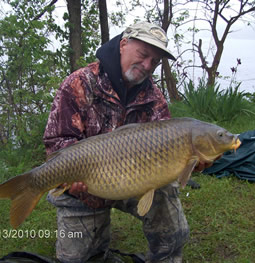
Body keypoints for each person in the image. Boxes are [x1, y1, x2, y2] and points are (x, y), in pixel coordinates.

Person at [43, 21, 207, 263]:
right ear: (122, 45)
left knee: (170, 214)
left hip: (137, 180)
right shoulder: (79, 84)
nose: (147, 65)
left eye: (155, 61)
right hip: (86, 185)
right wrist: (71, 177)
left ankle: (167, 258)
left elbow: (170, 148)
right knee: (77, 258)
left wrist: (194, 161)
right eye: (143, 55)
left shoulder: (154, 99)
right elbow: (57, 140)